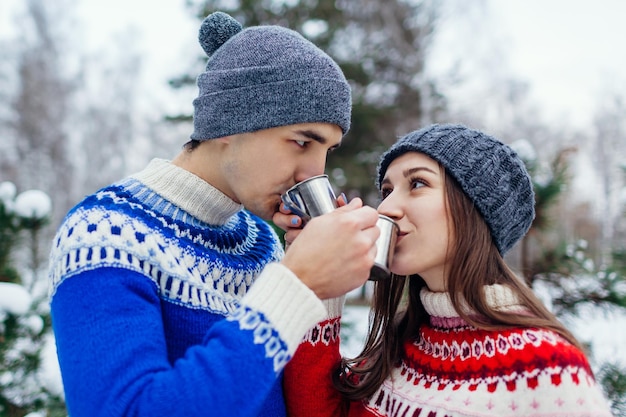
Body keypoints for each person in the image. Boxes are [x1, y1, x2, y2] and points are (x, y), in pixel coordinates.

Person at [47, 11, 380, 417]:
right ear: (230, 121)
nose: (315, 174)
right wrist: (297, 285)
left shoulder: (260, 245)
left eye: (327, 151)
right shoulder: (105, 235)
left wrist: (320, 288)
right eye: (301, 142)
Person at [282, 124, 613, 416]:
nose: (387, 208)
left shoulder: (545, 367)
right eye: (386, 191)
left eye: (418, 184)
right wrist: (320, 279)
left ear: (474, 209)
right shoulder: (400, 345)